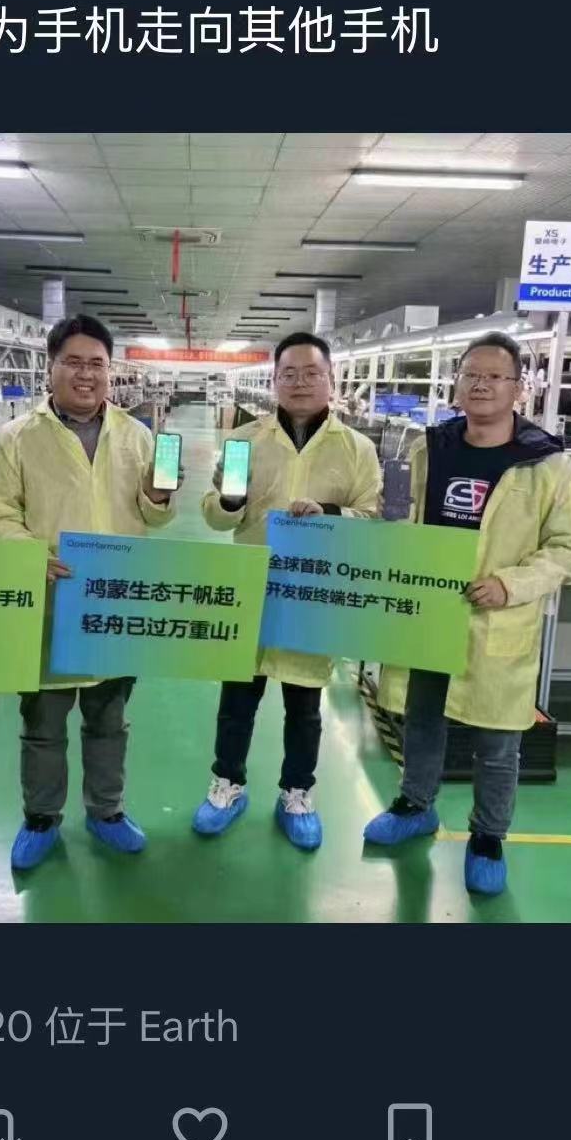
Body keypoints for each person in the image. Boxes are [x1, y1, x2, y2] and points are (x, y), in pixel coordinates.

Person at [363, 333, 571, 896]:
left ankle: (488, 836)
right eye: (471, 374)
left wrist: (510, 584)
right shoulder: (431, 448)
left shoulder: (547, 465)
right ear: (457, 383)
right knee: (422, 719)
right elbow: (399, 518)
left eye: (495, 376)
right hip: (430, 612)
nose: (481, 385)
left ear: (518, 388)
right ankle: (416, 804)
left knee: (497, 742)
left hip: (496, 619)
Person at [0, 312, 178, 870]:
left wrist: (159, 497)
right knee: (42, 724)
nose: (86, 374)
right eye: (73, 362)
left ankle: (106, 811)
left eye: (97, 364)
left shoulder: (138, 436)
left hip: (115, 605)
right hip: (48, 603)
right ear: (52, 368)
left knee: (109, 720)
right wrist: (28, 553)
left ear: (110, 371)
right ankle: (41, 817)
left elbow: (156, 517)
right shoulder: (18, 438)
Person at [192, 333, 382, 850]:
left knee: (305, 704)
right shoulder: (244, 441)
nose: (300, 383)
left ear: (331, 380)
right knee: (237, 699)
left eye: (311, 373)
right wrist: (229, 501)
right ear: (275, 381)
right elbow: (213, 517)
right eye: (289, 374)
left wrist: (332, 514)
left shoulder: (356, 448)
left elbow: (372, 518)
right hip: (252, 588)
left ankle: (297, 792)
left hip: (313, 594)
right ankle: (226, 784)